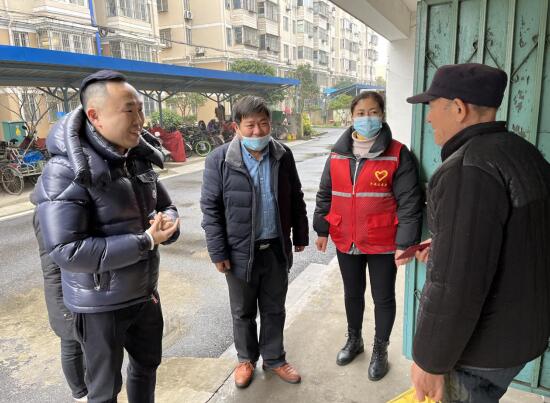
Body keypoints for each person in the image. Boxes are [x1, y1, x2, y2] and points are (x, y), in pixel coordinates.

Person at [31, 70, 180, 403]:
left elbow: (166, 205)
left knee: (146, 367)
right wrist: (145, 241)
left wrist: (168, 224)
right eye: (129, 110)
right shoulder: (64, 171)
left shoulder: (137, 158)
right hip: (99, 305)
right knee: (104, 390)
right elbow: (67, 250)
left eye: (140, 109)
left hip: (144, 293)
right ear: (95, 116)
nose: (140, 120)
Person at [407, 63, 550, 403]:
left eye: (432, 106)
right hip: (523, 335)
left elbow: (455, 283)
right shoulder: (523, 152)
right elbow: (516, 237)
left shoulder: (466, 169)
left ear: (458, 108)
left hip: (480, 351)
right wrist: (445, 243)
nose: (429, 118)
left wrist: (429, 360)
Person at [200, 96, 309, 389]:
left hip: (275, 247)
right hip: (239, 251)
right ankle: (245, 359)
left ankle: (274, 358)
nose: (258, 131)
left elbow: (295, 196)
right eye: (250, 125)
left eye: (263, 124)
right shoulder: (220, 159)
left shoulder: (283, 155)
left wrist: (300, 234)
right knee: (243, 311)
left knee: (274, 308)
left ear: (270, 124)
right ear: (236, 126)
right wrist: (218, 251)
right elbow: (210, 208)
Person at [314, 91, 423, 380]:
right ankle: (355, 340)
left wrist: (405, 243)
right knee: (352, 294)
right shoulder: (337, 154)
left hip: (383, 241)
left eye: (373, 112)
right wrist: (322, 229)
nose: (367, 118)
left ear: (382, 115)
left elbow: (410, 202)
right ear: (352, 117)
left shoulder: (397, 154)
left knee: (383, 297)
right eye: (361, 113)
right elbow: (325, 193)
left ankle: (380, 349)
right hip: (345, 238)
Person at [33, 212, 88, 403]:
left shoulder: (53, 207)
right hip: (61, 287)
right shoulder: (46, 211)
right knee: (71, 342)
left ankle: (88, 386)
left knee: (84, 341)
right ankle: (80, 393)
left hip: (72, 284)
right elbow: (53, 263)